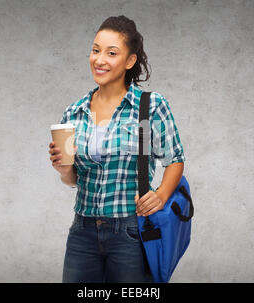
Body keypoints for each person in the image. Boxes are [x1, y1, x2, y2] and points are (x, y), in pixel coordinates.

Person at [48, 15, 186, 283]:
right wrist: (64, 170)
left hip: (131, 232)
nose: (100, 60)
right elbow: (72, 180)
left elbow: (176, 158)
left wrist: (161, 194)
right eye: (96, 50)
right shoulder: (74, 112)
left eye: (111, 53)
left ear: (130, 60)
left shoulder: (149, 105)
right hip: (82, 231)